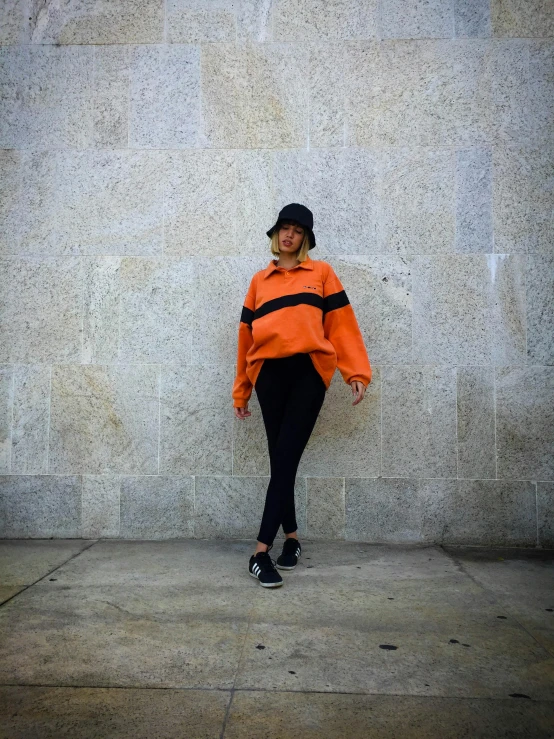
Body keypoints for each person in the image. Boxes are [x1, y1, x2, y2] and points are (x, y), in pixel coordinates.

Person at [232, 203, 372, 588]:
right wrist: (241, 390)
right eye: (283, 228)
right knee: (282, 459)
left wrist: (355, 371)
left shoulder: (322, 273)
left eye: (296, 229)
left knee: (287, 455)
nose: (288, 235)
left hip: (308, 373)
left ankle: (259, 552)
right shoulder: (260, 280)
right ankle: (291, 540)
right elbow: (245, 338)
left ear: (306, 237)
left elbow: (341, 324)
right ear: (275, 234)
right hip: (268, 375)